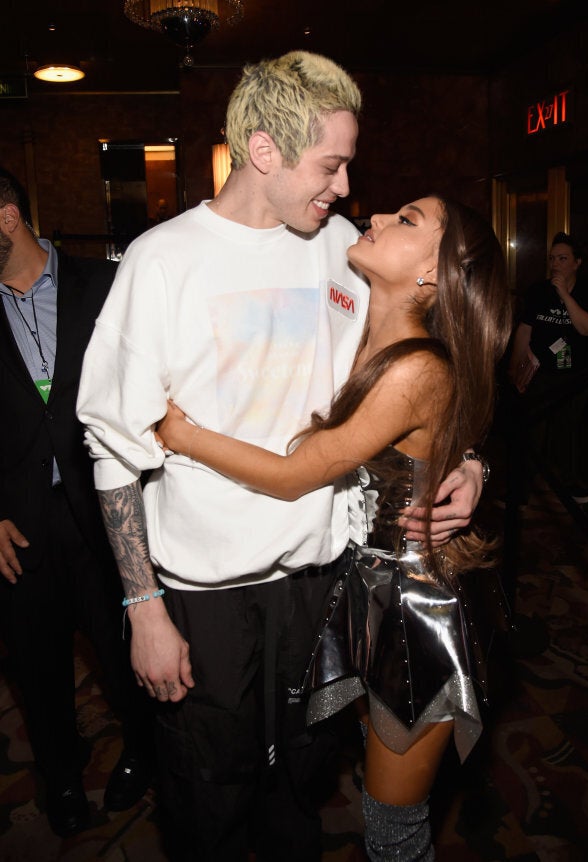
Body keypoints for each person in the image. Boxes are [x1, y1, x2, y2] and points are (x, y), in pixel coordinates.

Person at [76, 52, 486, 861]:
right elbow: (115, 450)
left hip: (322, 591)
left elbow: (427, 369)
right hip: (207, 596)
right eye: (330, 164)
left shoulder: (341, 248)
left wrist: (468, 463)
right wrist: (143, 609)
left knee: (301, 791)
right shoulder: (164, 260)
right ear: (265, 153)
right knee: (209, 801)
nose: (342, 187)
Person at [155, 194, 512, 860]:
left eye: (406, 220)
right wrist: (467, 458)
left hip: (413, 610)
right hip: (360, 586)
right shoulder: (354, 321)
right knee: (361, 782)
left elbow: (298, 473)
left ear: (433, 275)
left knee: (393, 830)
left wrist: (181, 434)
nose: (373, 217)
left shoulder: (412, 366)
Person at [0, 168, 154, 837]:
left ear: (7, 217)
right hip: (18, 528)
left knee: (125, 657)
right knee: (35, 667)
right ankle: (61, 775)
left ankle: (145, 752)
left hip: (106, 517)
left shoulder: (109, 283)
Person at [507, 232, 588, 504]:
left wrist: (563, 294)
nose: (556, 264)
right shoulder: (538, 291)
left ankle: (569, 484)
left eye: (563, 259)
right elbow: (525, 330)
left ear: (577, 263)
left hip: (573, 374)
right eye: (552, 259)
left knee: (567, 431)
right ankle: (522, 488)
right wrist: (514, 368)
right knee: (532, 430)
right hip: (540, 371)